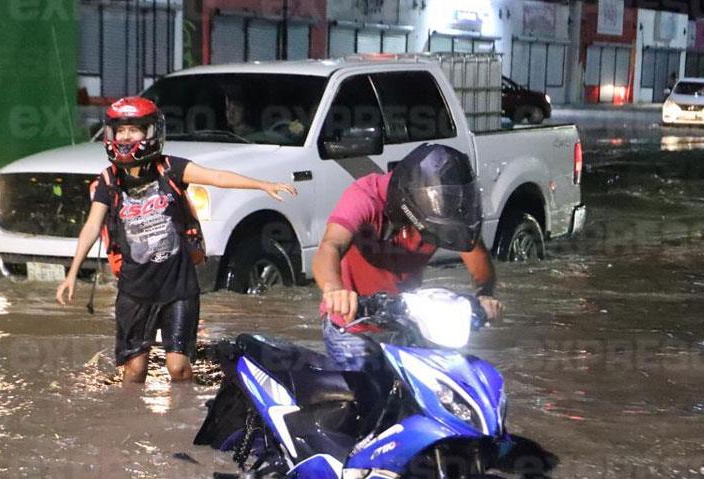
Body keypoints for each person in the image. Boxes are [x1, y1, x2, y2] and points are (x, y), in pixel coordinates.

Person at [57, 97, 297, 384]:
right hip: (135, 290)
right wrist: (71, 274)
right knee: (134, 372)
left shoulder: (170, 169)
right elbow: (92, 225)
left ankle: (186, 419)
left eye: (134, 130)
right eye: (120, 130)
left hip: (179, 287)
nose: (125, 137)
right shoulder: (108, 181)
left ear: (151, 133)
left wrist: (262, 184)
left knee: (178, 369)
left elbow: (217, 177)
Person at [313, 143, 502, 370]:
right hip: (352, 325)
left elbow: (476, 257)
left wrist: (485, 296)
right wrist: (334, 291)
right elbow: (330, 246)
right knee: (368, 396)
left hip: (407, 319)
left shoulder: (449, 212)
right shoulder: (365, 198)